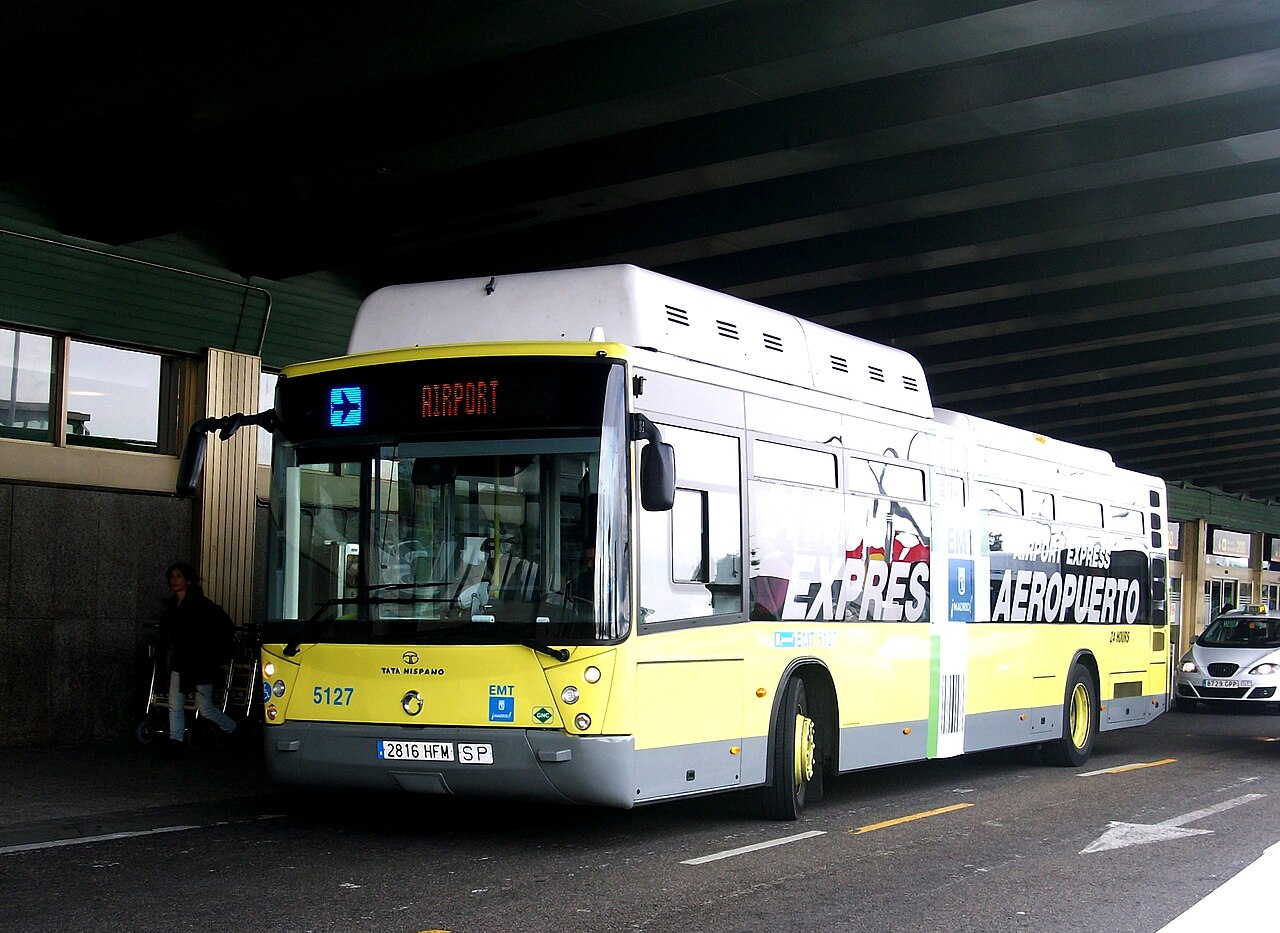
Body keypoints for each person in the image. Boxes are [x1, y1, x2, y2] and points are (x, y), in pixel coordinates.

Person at [158, 562, 238, 756]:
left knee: (204, 707)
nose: (174, 580)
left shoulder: (199, 605)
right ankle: (176, 740)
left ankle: (232, 729)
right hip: (186, 661)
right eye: (173, 576)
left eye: (178, 576)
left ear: (188, 580)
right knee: (177, 703)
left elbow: (223, 626)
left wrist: (218, 654)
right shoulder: (179, 606)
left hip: (200, 662)